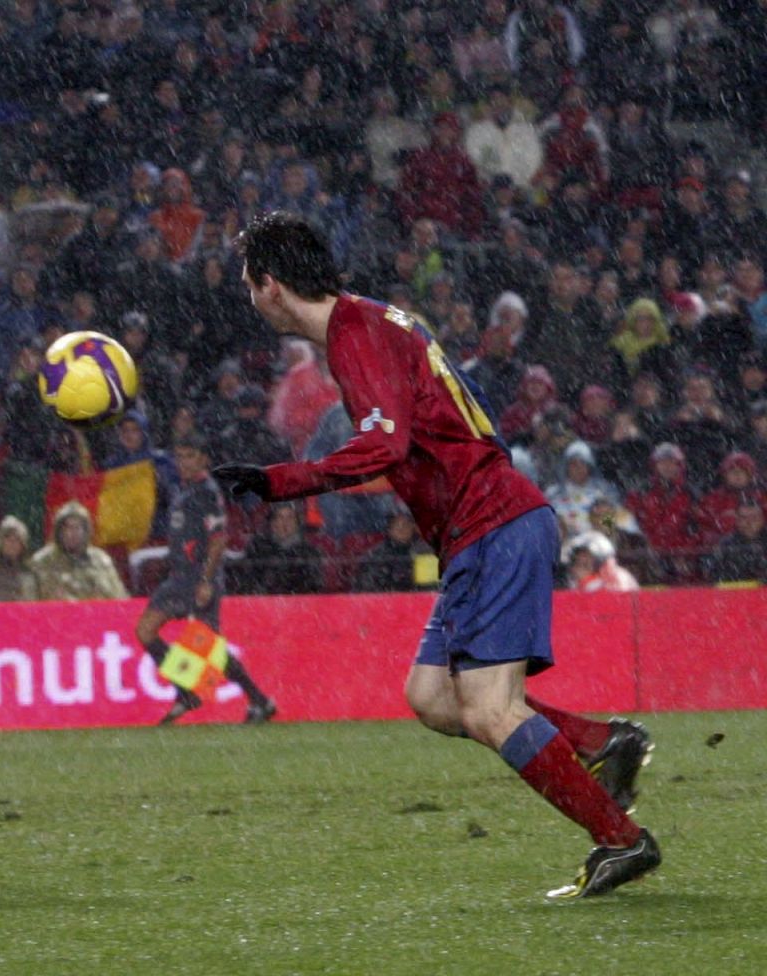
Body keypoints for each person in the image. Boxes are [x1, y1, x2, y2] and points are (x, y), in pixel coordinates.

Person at [215, 212, 659, 900]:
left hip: (492, 522)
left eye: (249, 284)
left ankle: (621, 840)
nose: (249, 298)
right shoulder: (375, 323)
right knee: (434, 697)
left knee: (487, 708)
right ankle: (604, 742)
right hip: (479, 526)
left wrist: (281, 480)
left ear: (271, 284)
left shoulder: (355, 336)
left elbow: (385, 447)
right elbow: (452, 418)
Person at [138, 433, 277, 727]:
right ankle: (188, 692)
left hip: (198, 579)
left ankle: (259, 701)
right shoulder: (185, 490)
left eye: (189, 457)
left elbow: (218, 539)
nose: (183, 463)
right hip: (179, 578)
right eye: (179, 457)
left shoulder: (206, 492)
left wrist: (205, 580)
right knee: (146, 630)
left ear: (203, 460)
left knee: (209, 647)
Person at [29, 500, 129, 601]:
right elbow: (27, 604)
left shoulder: (101, 561)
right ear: (58, 531)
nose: (72, 533)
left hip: (94, 615)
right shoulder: (41, 562)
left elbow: (119, 599)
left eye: (77, 527)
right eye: (67, 527)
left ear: (86, 531)